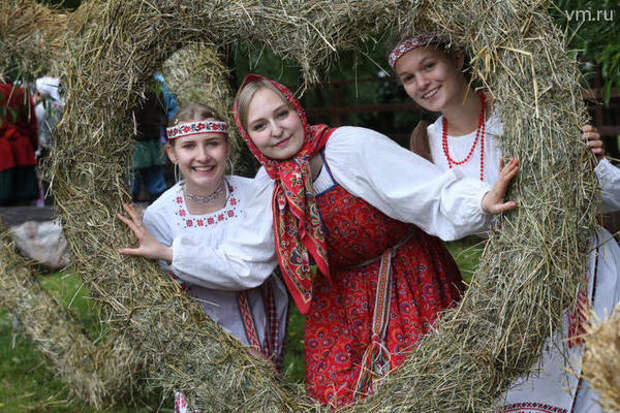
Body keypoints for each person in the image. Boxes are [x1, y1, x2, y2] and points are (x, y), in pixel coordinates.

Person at [232, 73, 519, 407]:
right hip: (339, 297)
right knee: (335, 396)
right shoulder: (269, 187)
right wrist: (170, 253)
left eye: (282, 114)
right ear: (249, 137)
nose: (277, 130)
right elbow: (243, 259)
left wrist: (479, 201)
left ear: (297, 110)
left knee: (420, 395)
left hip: (405, 279)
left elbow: (426, 190)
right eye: (260, 125)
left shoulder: (348, 148)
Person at [389, 33, 620, 413]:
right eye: (408, 78)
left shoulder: (523, 114)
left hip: (587, 269)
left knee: (601, 391)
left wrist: (590, 164)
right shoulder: (425, 146)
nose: (422, 83)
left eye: (429, 66)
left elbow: (607, 197)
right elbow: (444, 222)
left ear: (458, 58)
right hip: (515, 292)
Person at [117, 103, 289, 371]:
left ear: (228, 147)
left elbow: (247, 269)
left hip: (261, 332)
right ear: (171, 153)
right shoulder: (160, 217)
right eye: (188, 146)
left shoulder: (255, 195)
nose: (203, 156)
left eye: (212, 144)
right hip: (200, 351)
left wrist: (169, 253)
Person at [0, 80, 40, 206]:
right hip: (24, 153)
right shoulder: (22, 93)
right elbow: (32, 125)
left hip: (3, 155)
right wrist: (34, 146)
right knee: (24, 209)